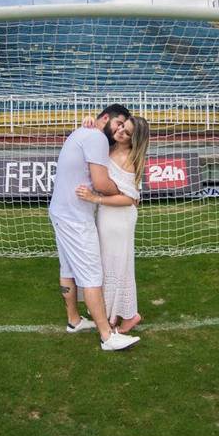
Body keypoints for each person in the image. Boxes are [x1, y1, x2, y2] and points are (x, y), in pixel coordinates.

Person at [48, 104, 141, 351]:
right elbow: (100, 183)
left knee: (68, 268)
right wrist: (124, 192)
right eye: (119, 123)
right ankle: (107, 337)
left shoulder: (83, 131)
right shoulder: (97, 137)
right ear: (106, 118)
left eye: (124, 128)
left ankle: (74, 320)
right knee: (91, 275)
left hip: (60, 211)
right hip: (76, 217)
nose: (119, 129)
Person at [76, 116, 149, 334]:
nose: (120, 131)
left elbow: (129, 199)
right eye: (122, 126)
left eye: (127, 132)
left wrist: (94, 198)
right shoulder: (109, 147)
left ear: (134, 139)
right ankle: (112, 314)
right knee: (107, 264)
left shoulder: (128, 159)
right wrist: (89, 123)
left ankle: (129, 315)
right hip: (107, 216)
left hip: (120, 219)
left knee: (118, 267)